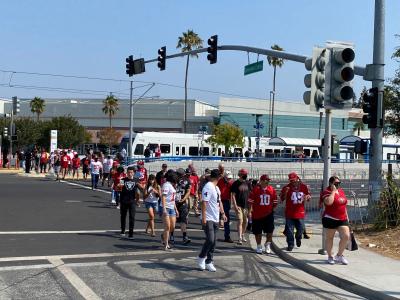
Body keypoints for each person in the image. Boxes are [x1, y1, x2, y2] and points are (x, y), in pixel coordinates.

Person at [198, 169, 227, 272]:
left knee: (214, 241)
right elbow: (204, 203)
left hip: (215, 217)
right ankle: (202, 257)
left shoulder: (217, 188)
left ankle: (209, 261)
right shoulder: (208, 187)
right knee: (210, 239)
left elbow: (219, 202)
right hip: (208, 217)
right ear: (218, 177)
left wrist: (223, 213)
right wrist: (204, 218)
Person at [321, 176, 350, 265]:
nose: (338, 185)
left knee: (346, 236)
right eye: (336, 183)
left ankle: (339, 255)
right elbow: (328, 202)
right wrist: (333, 191)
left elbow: (344, 205)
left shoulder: (341, 191)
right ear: (331, 184)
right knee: (330, 238)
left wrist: (347, 217)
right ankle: (330, 256)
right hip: (330, 218)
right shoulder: (326, 192)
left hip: (342, 218)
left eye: (339, 183)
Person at [280, 172, 311, 251]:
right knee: (289, 230)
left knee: (301, 228)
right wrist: (285, 193)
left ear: (297, 178)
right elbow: (281, 199)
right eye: (291, 181)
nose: (292, 182)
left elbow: (308, 197)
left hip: (300, 212)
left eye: (293, 180)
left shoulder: (304, 187)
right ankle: (290, 244)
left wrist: (307, 197)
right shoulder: (286, 187)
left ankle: (298, 237)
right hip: (289, 213)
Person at [248, 174, 278, 254]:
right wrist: (250, 212)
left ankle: (267, 244)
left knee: (270, 230)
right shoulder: (255, 189)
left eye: (268, 180)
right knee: (258, 231)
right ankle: (258, 245)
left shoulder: (272, 189)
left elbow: (275, 202)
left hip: (268, 214)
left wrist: (272, 210)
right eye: (266, 180)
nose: (267, 182)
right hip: (257, 214)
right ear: (261, 181)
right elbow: (250, 202)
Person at [231, 169, 251, 245]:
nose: (245, 176)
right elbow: (233, 195)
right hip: (239, 205)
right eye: (244, 174)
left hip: (246, 206)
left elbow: (250, 194)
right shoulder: (235, 183)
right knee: (240, 221)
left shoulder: (248, 183)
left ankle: (242, 234)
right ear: (240, 175)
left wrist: (250, 206)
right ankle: (239, 238)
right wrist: (235, 205)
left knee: (245, 222)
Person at [118, 166, 140, 239]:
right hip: (123, 200)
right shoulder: (122, 180)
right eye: (128, 172)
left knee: (132, 217)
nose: (130, 174)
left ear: (134, 173)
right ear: (126, 173)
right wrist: (118, 186)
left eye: (131, 172)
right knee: (123, 216)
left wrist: (137, 200)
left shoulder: (136, 180)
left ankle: (131, 233)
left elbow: (140, 190)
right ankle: (123, 230)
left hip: (132, 201)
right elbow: (118, 189)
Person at [161, 171, 179, 251]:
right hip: (166, 207)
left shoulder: (171, 185)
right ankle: (166, 244)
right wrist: (164, 208)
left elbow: (173, 199)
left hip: (172, 207)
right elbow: (163, 197)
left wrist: (176, 208)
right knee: (167, 226)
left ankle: (163, 235)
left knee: (172, 227)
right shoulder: (166, 185)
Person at [173, 168, 192, 245]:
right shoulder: (173, 180)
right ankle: (170, 236)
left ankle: (184, 236)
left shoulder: (187, 180)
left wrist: (184, 198)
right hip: (174, 203)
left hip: (182, 202)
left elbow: (188, 191)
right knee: (172, 221)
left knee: (183, 220)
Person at [217, 170, 234, 243]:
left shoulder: (231, 182)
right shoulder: (219, 181)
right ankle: (212, 235)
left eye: (230, 178)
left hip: (226, 201)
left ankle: (227, 236)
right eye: (228, 178)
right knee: (215, 218)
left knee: (226, 219)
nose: (229, 179)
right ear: (224, 177)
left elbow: (232, 193)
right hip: (218, 201)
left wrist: (232, 203)